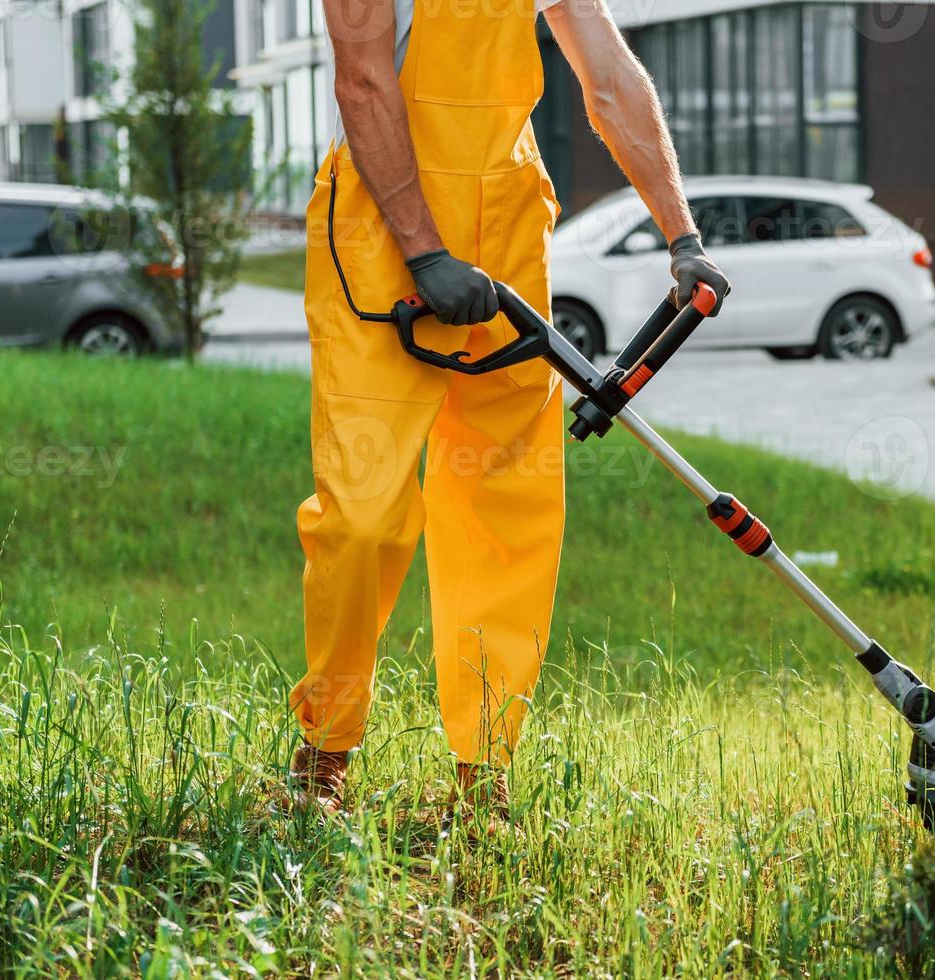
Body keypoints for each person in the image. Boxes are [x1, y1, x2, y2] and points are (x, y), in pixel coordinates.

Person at [286, 0, 730, 823]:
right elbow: (362, 83)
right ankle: (327, 750)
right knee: (362, 513)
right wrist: (424, 248)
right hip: (382, 235)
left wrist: (682, 235)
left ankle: (484, 766)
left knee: (506, 504)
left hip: (506, 234)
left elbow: (609, 78)